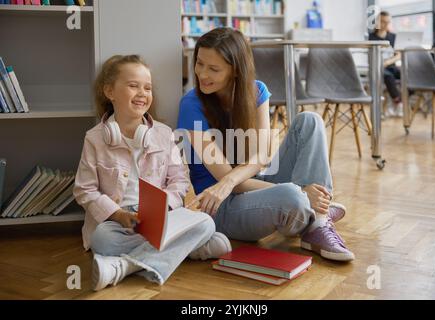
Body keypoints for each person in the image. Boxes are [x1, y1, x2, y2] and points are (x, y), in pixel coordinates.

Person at [177, 27, 355, 262]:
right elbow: (230, 185)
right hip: (223, 207)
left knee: (309, 121)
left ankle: (316, 221)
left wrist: (232, 180)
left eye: (214, 69)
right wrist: (301, 192)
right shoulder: (191, 105)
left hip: (256, 183)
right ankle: (311, 214)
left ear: (236, 71)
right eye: (199, 64)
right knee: (292, 196)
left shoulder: (257, 91)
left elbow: (262, 157)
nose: (202, 74)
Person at [73, 54, 231, 291]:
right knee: (102, 239)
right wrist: (117, 215)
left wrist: (163, 207)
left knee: (205, 222)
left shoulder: (164, 134)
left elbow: (179, 181)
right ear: (110, 91)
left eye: (147, 88)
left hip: (162, 217)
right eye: (133, 85)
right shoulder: (94, 139)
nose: (142, 93)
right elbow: (84, 190)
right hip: (118, 222)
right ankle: (189, 248)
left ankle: (123, 267)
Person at [369, 11, 403, 117]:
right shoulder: (371, 37)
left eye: (388, 22)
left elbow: (398, 54)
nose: (385, 24)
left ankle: (397, 100)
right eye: (383, 22)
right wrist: (382, 63)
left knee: (408, 75)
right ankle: (398, 102)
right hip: (378, 67)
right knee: (388, 76)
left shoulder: (393, 36)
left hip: (391, 65)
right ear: (378, 22)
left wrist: (388, 61)